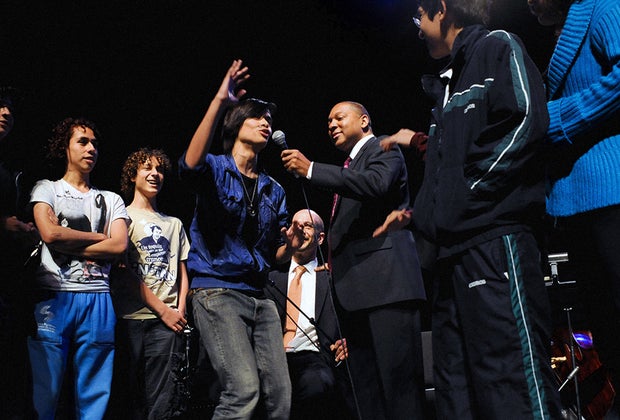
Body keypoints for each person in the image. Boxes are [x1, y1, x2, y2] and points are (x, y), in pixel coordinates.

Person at [379, 0, 562, 418]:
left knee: (510, 385)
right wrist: (422, 214)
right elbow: (447, 169)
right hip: (449, 256)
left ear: (442, 9)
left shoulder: (499, 46)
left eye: (419, 16)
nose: (417, 27)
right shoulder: (448, 84)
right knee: (456, 395)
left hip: (494, 244)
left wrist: (465, 194)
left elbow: (525, 122)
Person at [281, 101, 427, 419]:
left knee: (400, 390)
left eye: (339, 117)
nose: (331, 124)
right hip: (355, 295)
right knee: (365, 394)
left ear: (363, 121)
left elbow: (377, 184)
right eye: (328, 121)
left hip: (387, 288)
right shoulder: (350, 166)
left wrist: (311, 169)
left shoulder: (383, 147)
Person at [178, 59, 303, 420]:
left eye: (270, 120)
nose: (267, 124)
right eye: (258, 117)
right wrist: (220, 100)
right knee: (243, 390)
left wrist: (291, 247)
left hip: (260, 298)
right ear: (236, 124)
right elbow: (189, 165)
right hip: (217, 292)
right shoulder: (216, 169)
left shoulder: (274, 189)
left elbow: (276, 255)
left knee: (280, 398)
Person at [527, 0, 620, 416]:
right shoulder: (567, 28)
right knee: (606, 326)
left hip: (611, 191)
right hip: (578, 202)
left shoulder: (604, 8)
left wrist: (557, 118)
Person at [29, 117, 129, 419]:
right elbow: (50, 234)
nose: (91, 148)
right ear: (65, 147)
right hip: (53, 294)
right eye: (82, 142)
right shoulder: (47, 189)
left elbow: (119, 245)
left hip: (98, 296)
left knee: (94, 391)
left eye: (95, 143)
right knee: (45, 388)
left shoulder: (111, 199)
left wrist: (67, 240)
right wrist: (99, 237)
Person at [110, 148, 190, 419]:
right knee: (129, 398)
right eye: (147, 168)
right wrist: (163, 310)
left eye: (160, 169)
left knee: (163, 401)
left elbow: (182, 272)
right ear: (133, 176)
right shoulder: (122, 217)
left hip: (166, 324)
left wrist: (179, 310)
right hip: (130, 318)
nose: (155, 174)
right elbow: (121, 271)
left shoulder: (174, 224)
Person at [265, 209, 350, 420]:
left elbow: (353, 318)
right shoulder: (270, 279)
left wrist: (349, 341)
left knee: (315, 384)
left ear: (320, 238)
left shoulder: (333, 277)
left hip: (315, 357)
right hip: (274, 358)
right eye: (295, 225)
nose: (300, 229)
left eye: (308, 226)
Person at [0, 86, 38, 419]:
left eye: (10, 109)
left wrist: (24, 230)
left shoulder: (9, 166)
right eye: (0, 106)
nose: (6, 113)